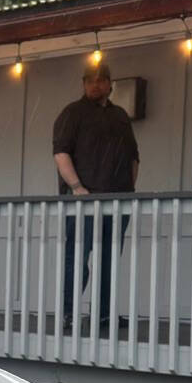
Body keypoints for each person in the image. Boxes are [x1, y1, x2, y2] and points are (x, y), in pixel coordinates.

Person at [52, 62, 139, 328]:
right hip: (84, 202)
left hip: (117, 202)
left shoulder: (121, 116)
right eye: (90, 80)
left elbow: (133, 157)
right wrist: (77, 187)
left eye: (101, 80)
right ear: (83, 84)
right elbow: (61, 152)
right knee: (77, 258)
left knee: (110, 259)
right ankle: (67, 313)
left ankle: (103, 313)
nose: (95, 84)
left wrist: (128, 190)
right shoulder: (73, 113)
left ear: (110, 84)